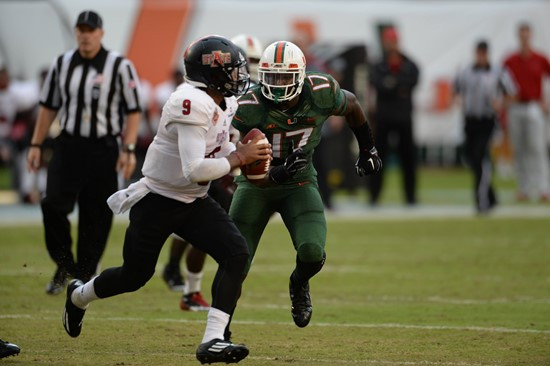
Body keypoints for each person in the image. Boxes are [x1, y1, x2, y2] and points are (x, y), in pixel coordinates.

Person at [61, 35, 271, 365]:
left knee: (236, 254)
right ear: (211, 74)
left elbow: (220, 149)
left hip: (194, 201)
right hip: (158, 200)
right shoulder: (189, 101)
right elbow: (194, 169)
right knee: (134, 276)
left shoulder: (225, 101)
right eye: (231, 70)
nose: (238, 77)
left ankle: (213, 340)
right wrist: (240, 159)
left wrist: (248, 157)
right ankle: (78, 296)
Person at [226, 40, 381, 338]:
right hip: (255, 184)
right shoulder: (247, 106)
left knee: (312, 252)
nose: (279, 84)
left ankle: (299, 283)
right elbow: (232, 153)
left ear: (300, 75)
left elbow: (352, 105)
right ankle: (220, 331)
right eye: (273, 77)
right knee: (235, 261)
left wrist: (367, 149)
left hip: (299, 183)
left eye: (285, 77)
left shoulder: (320, 91)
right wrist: (272, 170)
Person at [26, 10, 142, 294]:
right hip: (68, 144)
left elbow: (133, 111)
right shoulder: (62, 63)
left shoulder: (119, 65)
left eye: (90, 30)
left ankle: (83, 274)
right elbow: (49, 105)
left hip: (103, 147)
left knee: (97, 213)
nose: (84, 35)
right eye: (80, 30)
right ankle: (64, 262)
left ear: (101, 34)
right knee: (52, 203)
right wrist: (36, 143)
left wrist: (127, 148)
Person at [454, 40, 516, 214]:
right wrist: (458, 99)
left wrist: (501, 103)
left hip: (487, 120)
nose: (481, 56)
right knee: (471, 158)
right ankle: (492, 195)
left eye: (483, 53)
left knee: (481, 156)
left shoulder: (498, 72)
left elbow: (511, 93)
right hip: (470, 120)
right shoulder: (465, 71)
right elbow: (456, 90)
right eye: (479, 53)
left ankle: (482, 201)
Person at [368, 26, 419, 206]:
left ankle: (411, 197)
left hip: (404, 118)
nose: (391, 44)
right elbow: (379, 85)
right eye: (388, 41)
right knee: (377, 158)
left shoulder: (409, 64)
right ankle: (374, 196)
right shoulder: (378, 64)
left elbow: (411, 82)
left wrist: (391, 85)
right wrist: (398, 88)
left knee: (408, 159)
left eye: (394, 41)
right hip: (384, 118)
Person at [503, 22, 550, 201]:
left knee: (537, 148)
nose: (524, 37)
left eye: (527, 34)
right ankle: (524, 188)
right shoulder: (510, 60)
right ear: (518, 36)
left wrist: (547, 100)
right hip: (516, 107)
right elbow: (500, 81)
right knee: (519, 149)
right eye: (521, 34)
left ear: (530, 36)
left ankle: (544, 188)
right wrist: (506, 100)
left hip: (533, 106)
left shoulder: (540, 58)